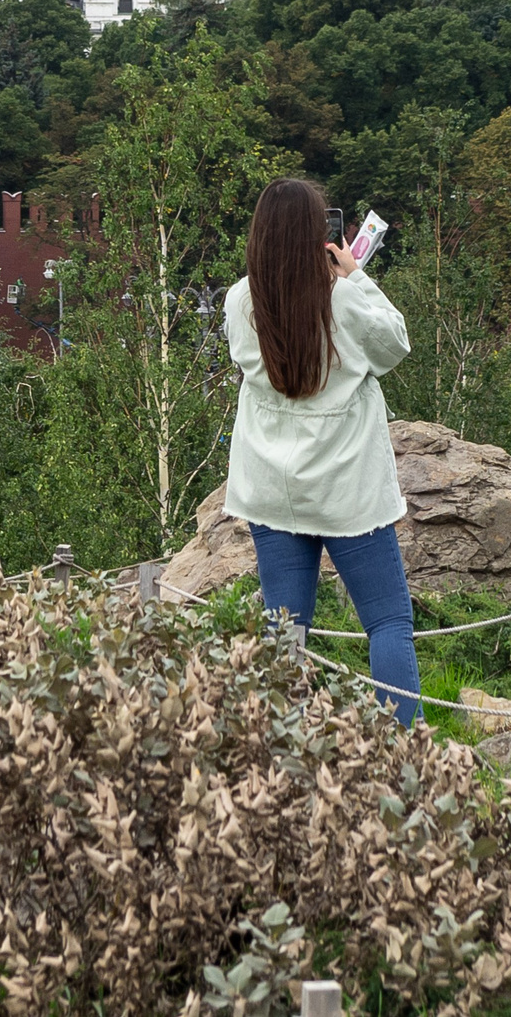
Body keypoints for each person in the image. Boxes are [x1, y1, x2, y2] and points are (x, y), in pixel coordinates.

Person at [223, 178, 421, 725]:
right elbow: (395, 344)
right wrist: (355, 276)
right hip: (346, 489)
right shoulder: (341, 298)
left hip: (273, 489)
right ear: (319, 236)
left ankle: (280, 755)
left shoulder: (241, 301)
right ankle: (404, 757)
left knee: (284, 627)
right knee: (387, 622)